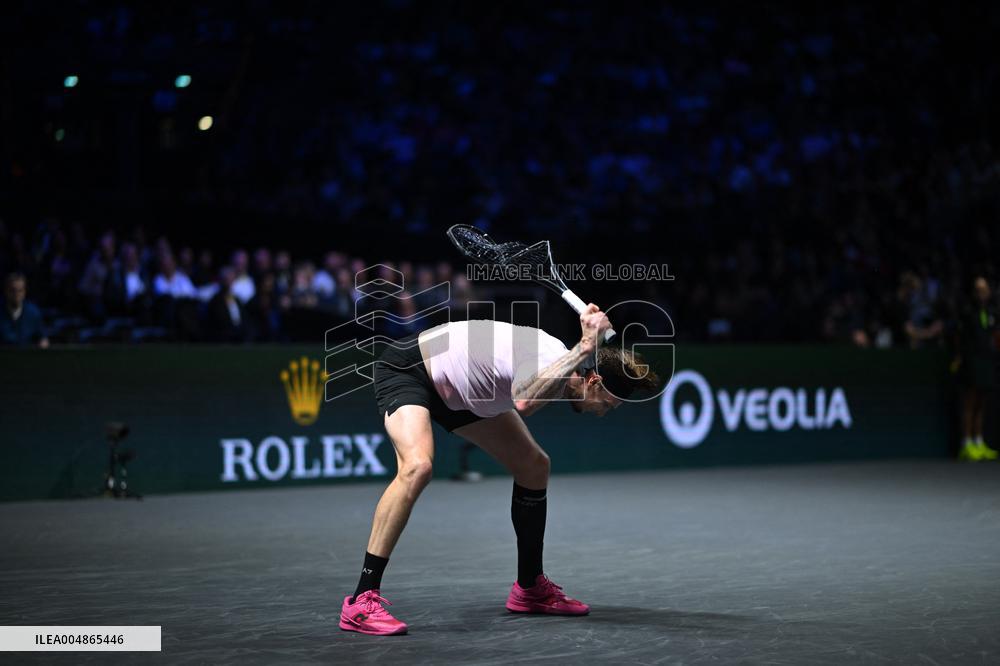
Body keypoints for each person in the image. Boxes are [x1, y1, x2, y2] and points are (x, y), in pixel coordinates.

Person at [339, 305, 659, 635]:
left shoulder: (566, 368)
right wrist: (584, 347)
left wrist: (585, 350)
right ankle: (361, 599)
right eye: (606, 404)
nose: (603, 413)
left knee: (534, 466)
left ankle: (530, 587)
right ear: (593, 381)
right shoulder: (550, 356)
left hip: (462, 393)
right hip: (411, 369)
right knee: (417, 467)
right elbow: (524, 402)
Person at [954, 277, 998, 461]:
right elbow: (960, 338)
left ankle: (979, 441)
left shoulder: (990, 312)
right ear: (973, 293)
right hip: (971, 362)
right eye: (979, 290)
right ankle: (966, 443)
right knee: (969, 404)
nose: (982, 294)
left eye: (985, 290)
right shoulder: (967, 312)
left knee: (981, 404)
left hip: (986, 362)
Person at [1, 273, 49, 347]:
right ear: (6, 291)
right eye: (12, 290)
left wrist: (43, 343)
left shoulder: (33, 313)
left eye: (20, 290)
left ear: (24, 292)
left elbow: (42, 337)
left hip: (26, 356)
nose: (16, 294)